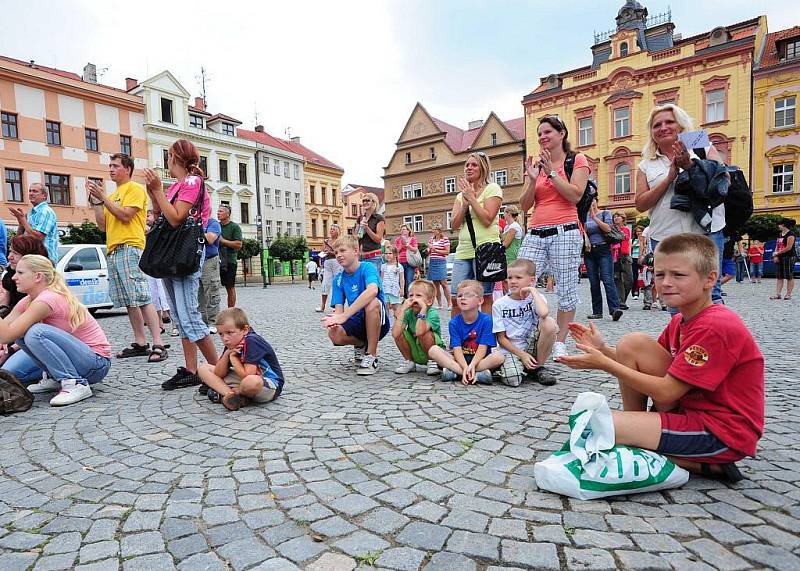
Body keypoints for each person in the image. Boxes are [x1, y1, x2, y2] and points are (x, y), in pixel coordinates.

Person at [560, 233, 764, 482]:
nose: (665, 283)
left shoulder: (714, 325)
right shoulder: (681, 320)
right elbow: (641, 365)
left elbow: (667, 392)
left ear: (710, 279)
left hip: (722, 431)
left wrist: (605, 364)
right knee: (632, 343)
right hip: (689, 411)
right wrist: (603, 350)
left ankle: (707, 464)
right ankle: (637, 429)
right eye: (659, 274)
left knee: (596, 429)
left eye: (678, 275)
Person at [143, 139, 218, 390]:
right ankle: (191, 369)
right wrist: (154, 193)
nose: (167, 160)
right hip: (171, 254)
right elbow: (160, 215)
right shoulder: (177, 185)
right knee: (179, 316)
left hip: (184, 253)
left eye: (169, 155)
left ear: (175, 157)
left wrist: (157, 191)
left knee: (191, 318)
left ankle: (218, 371)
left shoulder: (192, 182)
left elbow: (175, 219)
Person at [635, 104, 726, 307]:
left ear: (681, 124)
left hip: (705, 232)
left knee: (711, 294)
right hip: (666, 237)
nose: (663, 127)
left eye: (669, 121)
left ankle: (713, 338)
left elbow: (723, 180)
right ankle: (683, 339)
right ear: (651, 132)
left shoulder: (701, 145)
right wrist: (668, 179)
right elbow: (640, 204)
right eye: (657, 125)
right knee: (674, 298)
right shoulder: (646, 163)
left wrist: (689, 167)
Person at [518, 116, 588, 360]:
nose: (542, 137)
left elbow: (576, 195)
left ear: (562, 134)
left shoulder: (576, 160)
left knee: (566, 288)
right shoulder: (536, 165)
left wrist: (552, 174)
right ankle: (527, 335)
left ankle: (559, 341)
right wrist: (532, 179)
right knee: (521, 282)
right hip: (536, 230)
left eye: (547, 132)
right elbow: (524, 205)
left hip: (565, 231)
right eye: (539, 134)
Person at [0, 255, 111, 406]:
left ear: (38, 276)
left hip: (97, 364)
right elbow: (6, 330)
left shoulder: (47, 299)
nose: (14, 278)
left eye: (20, 273)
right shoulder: (28, 300)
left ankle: (75, 383)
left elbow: (6, 336)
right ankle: (55, 377)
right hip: (82, 360)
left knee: (36, 332)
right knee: (23, 333)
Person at [88, 153, 167, 363]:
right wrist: (97, 203)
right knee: (128, 300)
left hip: (130, 246)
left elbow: (125, 215)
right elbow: (103, 226)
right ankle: (141, 342)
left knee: (141, 296)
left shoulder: (134, 189)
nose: (111, 169)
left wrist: (103, 198)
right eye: (110, 166)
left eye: (115, 166)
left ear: (128, 169)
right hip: (114, 248)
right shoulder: (114, 194)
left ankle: (158, 342)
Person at [322, 235, 391, 375]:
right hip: (357, 320)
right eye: (336, 253)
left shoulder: (367, 267)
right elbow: (339, 310)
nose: (339, 255)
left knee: (371, 302)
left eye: (342, 250)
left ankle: (371, 356)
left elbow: (372, 290)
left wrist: (345, 315)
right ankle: (360, 344)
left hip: (378, 321)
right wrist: (334, 320)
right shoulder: (338, 279)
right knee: (334, 333)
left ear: (355, 251)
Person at [198, 308, 284, 411]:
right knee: (204, 368)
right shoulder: (233, 341)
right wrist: (227, 354)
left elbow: (248, 375)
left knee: (251, 381)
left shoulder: (251, 341)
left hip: (267, 385)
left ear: (245, 330)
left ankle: (230, 393)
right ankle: (231, 396)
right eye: (221, 334)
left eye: (229, 332)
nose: (225, 338)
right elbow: (218, 373)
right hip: (243, 382)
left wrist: (233, 358)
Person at [449, 153, 503, 316]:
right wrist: (465, 204)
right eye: (467, 165)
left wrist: (472, 199)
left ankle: (486, 337)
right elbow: (454, 225)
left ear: (483, 168)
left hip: (486, 250)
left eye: (474, 165)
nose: (469, 168)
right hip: (464, 250)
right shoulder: (460, 195)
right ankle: (457, 338)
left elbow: (487, 219)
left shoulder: (492, 188)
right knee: (456, 298)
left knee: (485, 297)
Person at [492, 259, 558, 387]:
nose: (513, 281)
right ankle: (516, 367)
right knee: (513, 379)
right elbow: (501, 338)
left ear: (532, 280)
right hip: (512, 351)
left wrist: (533, 291)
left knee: (549, 323)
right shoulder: (499, 304)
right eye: (510, 278)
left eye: (518, 277)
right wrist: (521, 355)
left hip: (533, 347)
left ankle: (537, 367)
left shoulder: (536, 298)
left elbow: (543, 313)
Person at [428, 280, 499, 385]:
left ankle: (456, 373)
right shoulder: (454, 322)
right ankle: (474, 375)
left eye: (468, 295)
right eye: (460, 295)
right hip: (459, 359)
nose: (463, 298)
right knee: (433, 350)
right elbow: (456, 349)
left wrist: (472, 365)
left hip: (480, 360)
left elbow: (483, 348)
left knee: (499, 356)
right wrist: (465, 367)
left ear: (480, 301)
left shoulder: (487, 320)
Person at [392, 279, 444, 375]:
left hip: (435, 353)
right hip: (415, 350)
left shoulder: (432, 313)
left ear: (429, 301)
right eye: (411, 295)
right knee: (399, 331)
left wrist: (423, 309)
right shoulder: (408, 312)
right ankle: (409, 362)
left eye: (418, 295)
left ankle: (432, 363)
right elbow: (395, 334)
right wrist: (402, 309)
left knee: (425, 333)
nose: (413, 298)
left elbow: (420, 332)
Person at [583, 197, 623, 321]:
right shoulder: (584, 216)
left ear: (596, 201)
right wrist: (586, 240)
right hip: (589, 251)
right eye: (589, 202)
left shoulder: (605, 213)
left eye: (592, 201)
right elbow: (583, 231)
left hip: (604, 249)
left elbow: (608, 229)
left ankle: (614, 309)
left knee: (607, 279)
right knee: (594, 282)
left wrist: (594, 217)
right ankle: (597, 311)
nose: (591, 203)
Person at [9, 182, 59, 264]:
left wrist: (23, 221)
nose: (31, 194)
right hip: (33, 258)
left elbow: (38, 237)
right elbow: (19, 238)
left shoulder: (45, 211)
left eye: (35, 191)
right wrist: (21, 221)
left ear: (44, 196)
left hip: (44, 259)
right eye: (30, 191)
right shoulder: (32, 213)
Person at [144, 210, 175, 336]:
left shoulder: (163, 228)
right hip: (152, 265)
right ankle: (159, 325)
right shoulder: (147, 231)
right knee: (153, 294)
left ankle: (174, 324)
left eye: (148, 215)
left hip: (163, 264)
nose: (146, 218)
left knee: (166, 294)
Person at [198, 216, 222, 331]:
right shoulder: (193, 222)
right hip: (195, 262)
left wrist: (193, 232)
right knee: (198, 293)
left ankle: (213, 322)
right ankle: (201, 321)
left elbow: (210, 238)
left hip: (209, 260)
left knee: (211, 291)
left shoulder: (213, 223)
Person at [218, 204, 242, 308]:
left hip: (229, 261)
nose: (218, 213)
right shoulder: (216, 225)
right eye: (218, 211)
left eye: (221, 211)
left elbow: (238, 244)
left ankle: (230, 310)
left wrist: (223, 241)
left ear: (227, 214)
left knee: (230, 287)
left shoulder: (234, 227)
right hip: (216, 259)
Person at [355, 192, 386, 272]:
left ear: (373, 202)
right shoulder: (360, 218)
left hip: (374, 257)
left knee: (373, 283)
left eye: (368, 200)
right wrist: (361, 230)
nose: (365, 202)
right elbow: (355, 237)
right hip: (361, 257)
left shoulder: (379, 218)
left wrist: (367, 228)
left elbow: (378, 239)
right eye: (363, 201)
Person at [316, 224, 342, 313]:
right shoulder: (326, 241)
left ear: (338, 231)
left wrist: (330, 252)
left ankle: (337, 306)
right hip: (327, 262)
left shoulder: (340, 241)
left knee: (337, 283)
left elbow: (340, 251)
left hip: (337, 262)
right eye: (331, 229)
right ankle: (322, 305)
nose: (331, 230)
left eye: (333, 229)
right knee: (325, 283)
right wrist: (324, 252)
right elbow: (322, 250)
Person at [426, 223, 451, 310]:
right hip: (432, 261)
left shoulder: (445, 239)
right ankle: (440, 304)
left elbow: (447, 252)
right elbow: (429, 251)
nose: (433, 231)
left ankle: (449, 303)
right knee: (435, 284)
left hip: (441, 262)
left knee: (444, 283)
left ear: (439, 231)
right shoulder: (431, 239)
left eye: (434, 230)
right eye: (432, 230)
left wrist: (435, 250)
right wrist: (428, 250)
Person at [771, 217, 797, 300]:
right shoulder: (779, 235)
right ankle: (778, 294)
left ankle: (788, 294)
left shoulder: (791, 235)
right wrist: (775, 255)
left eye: (779, 224)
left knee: (789, 276)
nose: (778, 226)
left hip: (789, 257)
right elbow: (777, 245)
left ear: (783, 225)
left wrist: (777, 253)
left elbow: (788, 247)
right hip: (780, 257)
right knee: (779, 276)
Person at [611, 212, 633, 310]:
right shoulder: (611, 229)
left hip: (625, 256)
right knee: (617, 279)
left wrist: (629, 254)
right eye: (614, 217)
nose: (616, 218)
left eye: (618, 216)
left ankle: (622, 299)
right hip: (614, 256)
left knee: (629, 279)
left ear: (623, 218)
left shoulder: (626, 229)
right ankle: (621, 302)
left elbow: (627, 241)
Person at [395, 225, 420, 298]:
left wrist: (407, 244)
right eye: (402, 230)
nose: (403, 231)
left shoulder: (412, 239)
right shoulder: (398, 239)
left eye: (405, 229)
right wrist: (401, 245)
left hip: (410, 262)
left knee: (409, 280)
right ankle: (403, 297)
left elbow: (415, 249)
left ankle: (410, 297)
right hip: (400, 262)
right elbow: (396, 251)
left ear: (409, 231)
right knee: (402, 281)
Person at [381, 245, 404, 316]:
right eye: (386, 253)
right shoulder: (383, 266)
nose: (388, 255)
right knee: (385, 307)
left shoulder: (399, 266)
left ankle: (397, 324)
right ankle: (387, 325)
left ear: (395, 254)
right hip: (385, 289)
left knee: (395, 308)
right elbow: (381, 278)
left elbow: (401, 278)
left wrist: (402, 289)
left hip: (394, 290)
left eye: (390, 253)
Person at [631, 225, 645, 299]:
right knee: (635, 276)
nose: (639, 233)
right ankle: (635, 292)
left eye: (640, 231)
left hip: (643, 258)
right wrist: (638, 242)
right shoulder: (633, 240)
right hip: (634, 258)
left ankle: (645, 291)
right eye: (637, 231)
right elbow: (630, 247)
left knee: (644, 275)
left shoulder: (645, 239)